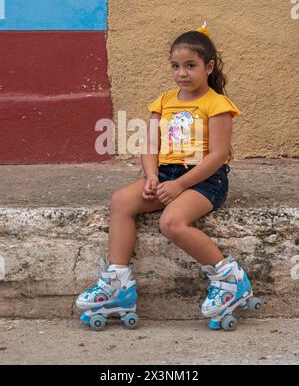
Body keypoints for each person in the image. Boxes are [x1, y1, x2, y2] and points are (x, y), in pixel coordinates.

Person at [76, 24, 254, 330]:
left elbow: (217, 155)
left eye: (190, 66)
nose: (182, 73)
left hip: (204, 180)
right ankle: (118, 284)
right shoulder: (164, 101)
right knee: (121, 201)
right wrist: (151, 177)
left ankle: (229, 279)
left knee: (171, 222)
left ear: (208, 67)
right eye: (175, 66)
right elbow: (150, 145)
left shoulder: (218, 106)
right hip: (166, 175)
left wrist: (180, 185)